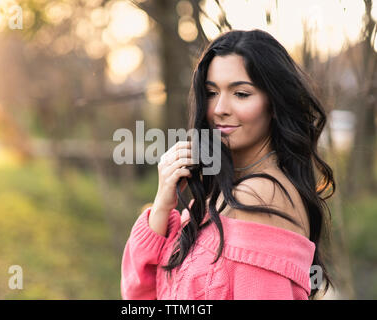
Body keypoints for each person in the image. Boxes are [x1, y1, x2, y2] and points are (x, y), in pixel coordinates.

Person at [121, 29, 335, 300]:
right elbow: (139, 295)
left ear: (274, 103)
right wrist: (162, 206)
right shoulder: (225, 192)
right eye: (211, 92)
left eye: (241, 94)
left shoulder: (258, 198)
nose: (220, 108)